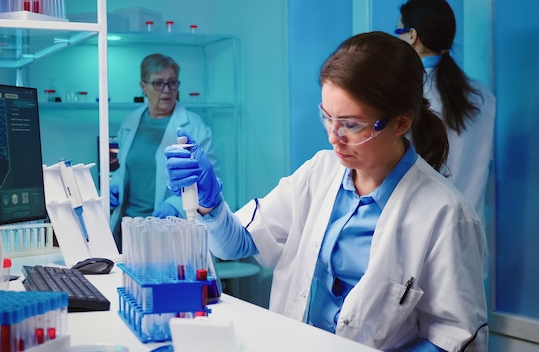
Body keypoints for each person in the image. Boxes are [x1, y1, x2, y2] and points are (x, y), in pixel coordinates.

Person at [164, 32, 487, 351]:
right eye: (327, 118)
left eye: (350, 124)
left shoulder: (445, 214)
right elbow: (235, 244)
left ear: (400, 123)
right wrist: (211, 205)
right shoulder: (320, 171)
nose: (334, 137)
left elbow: (455, 339)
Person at [395, 0, 496, 222]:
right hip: (472, 230)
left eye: (398, 31)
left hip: (424, 228)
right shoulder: (483, 97)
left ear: (412, 36)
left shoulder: (405, 95)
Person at [109, 53, 218, 252]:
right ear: (143, 86)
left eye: (172, 83)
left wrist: (174, 205)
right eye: (158, 83)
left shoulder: (194, 127)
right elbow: (124, 168)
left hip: (171, 228)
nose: (166, 91)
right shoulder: (131, 122)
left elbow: (208, 179)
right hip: (130, 228)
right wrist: (114, 186)